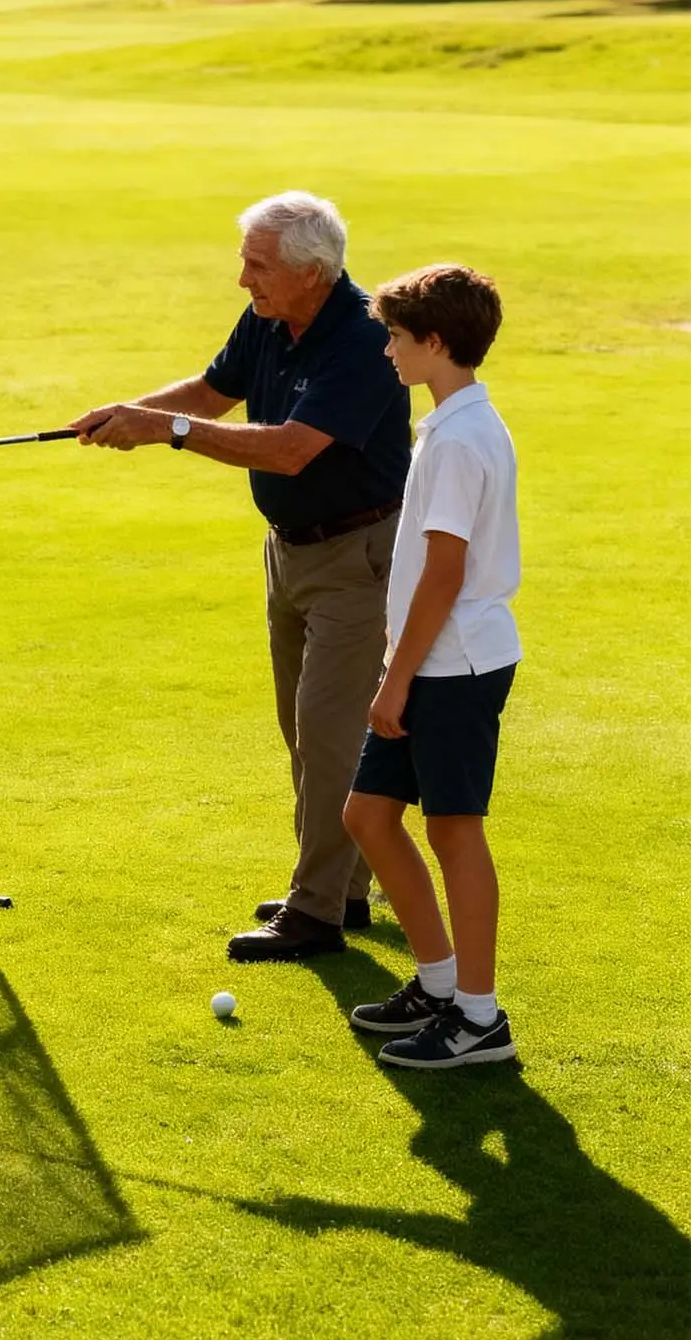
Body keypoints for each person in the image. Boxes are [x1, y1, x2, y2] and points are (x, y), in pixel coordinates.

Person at [69, 193, 410, 961]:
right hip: (289, 549)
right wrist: (129, 411)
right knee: (302, 728)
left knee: (328, 736)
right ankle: (343, 883)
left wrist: (168, 432)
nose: (241, 281)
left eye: (255, 266)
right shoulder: (269, 318)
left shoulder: (360, 339)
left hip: (357, 558)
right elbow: (212, 389)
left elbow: (292, 449)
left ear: (311, 273)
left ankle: (315, 909)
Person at [342, 264, 521, 1068]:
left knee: (453, 831)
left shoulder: (458, 439)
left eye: (396, 336)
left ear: (436, 342)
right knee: (368, 817)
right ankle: (440, 982)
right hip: (432, 661)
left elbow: (443, 573)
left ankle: (477, 1019)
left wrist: (394, 677)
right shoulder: (451, 424)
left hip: (454, 667)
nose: (386, 349)